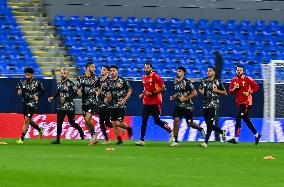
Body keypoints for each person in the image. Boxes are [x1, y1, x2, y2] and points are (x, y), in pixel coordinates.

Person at [135, 63, 172, 146]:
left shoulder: (155, 76)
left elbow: (163, 88)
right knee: (144, 120)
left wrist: (152, 93)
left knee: (157, 121)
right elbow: (146, 89)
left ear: (151, 68)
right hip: (146, 102)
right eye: (145, 68)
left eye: (148, 68)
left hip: (155, 102)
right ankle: (141, 140)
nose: (146, 69)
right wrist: (143, 94)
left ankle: (170, 130)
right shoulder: (143, 77)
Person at [169, 66, 205, 146]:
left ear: (183, 73)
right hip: (178, 105)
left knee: (190, 124)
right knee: (176, 121)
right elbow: (179, 92)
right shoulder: (176, 82)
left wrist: (185, 98)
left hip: (188, 106)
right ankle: (176, 140)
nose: (177, 72)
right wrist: (174, 96)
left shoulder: (187, 82)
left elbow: (194, 93)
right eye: (177, 71)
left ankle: (200, 129)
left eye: (179, 71)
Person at [48, 68, 85, 144]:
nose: (63, 74)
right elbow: (58, 92)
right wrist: (53, 97)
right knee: (59, 122)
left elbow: (75, 93)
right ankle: (57, 140)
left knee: (71, 122)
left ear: (67, 74)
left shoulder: (70, 83)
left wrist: (66, 98)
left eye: (64, 73)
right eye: (62, 73)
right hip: (61, 106)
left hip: (69, 106)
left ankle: (81, 131)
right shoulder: (59, 83)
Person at [227, 65, 261, 145]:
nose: (239, 71)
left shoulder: (247, 79)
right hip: (239, 102)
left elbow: (256, 86)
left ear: (243, 71)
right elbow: (230, 91)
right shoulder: (233, 80)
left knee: (238, 117)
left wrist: (249, 92)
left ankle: (236, 138)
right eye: (237, 70)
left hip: (246, 102)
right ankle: (257, 135)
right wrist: (234, 88)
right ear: (236, 71)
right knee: (246, 120)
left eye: (240, 70)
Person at [199, 66, 227, 147]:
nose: (208, 72)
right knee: (208, 124)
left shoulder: (217, 81)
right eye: (207, 71)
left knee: (210, 123)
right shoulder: (204, 81)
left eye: (210, 71)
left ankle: (206, 142)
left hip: (213, 104)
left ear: (214, 72)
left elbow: (225, 92)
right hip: (205, 104)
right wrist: (202, 91)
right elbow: (200, 89)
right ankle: (221, 132)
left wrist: (216, 90)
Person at [16, 67, 44, 144]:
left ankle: (21, 139)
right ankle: (39, 129)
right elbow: (18, 91)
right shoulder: (22, 82)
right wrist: (19, 91)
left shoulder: (37, 82)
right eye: (25, 75)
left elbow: (42, 91)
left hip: (32, 103)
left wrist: (38, 96)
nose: (27, 76)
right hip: (25, 103)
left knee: (26, 121)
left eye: (28, 75)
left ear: (32, 75)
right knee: (28, 121)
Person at [106, 65, 133, 145]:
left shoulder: (122, 80)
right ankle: (119, 140)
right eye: (111, 71)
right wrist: (108, 98)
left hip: (120, 104)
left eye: (114, 70)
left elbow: (130, 90)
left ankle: (128, 128)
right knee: (113, 123)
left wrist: (125, 99)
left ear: (117, 71)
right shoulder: (109, 81)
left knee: (118, 123)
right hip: (111, 104)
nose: (112, 72)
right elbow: (110, 92)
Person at [77, 62, 101, 145]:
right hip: (84, 102)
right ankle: (93, 136)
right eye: (92, 67)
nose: (94, 68)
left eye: (94, 67)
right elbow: (78, 90)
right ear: (87, 67)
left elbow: (99, 88)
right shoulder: (80, 77)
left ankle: (94, 135)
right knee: (87, 121)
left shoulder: (96, 78)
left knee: (87, 119)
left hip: (93, 101)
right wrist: (79, 92)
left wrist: (98, 92)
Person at [97, 65, 112, 144]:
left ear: (108, 72)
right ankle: (106, 139)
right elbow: (98, 90)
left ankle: (120, 126)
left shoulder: (109, 80)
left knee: (107, 122)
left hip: (108, 105)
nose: (102, 71)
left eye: (104, 70)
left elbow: (112, 90)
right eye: (102, 69)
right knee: (101, 122)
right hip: (101, 104)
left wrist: (108, 97)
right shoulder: (99, 80)